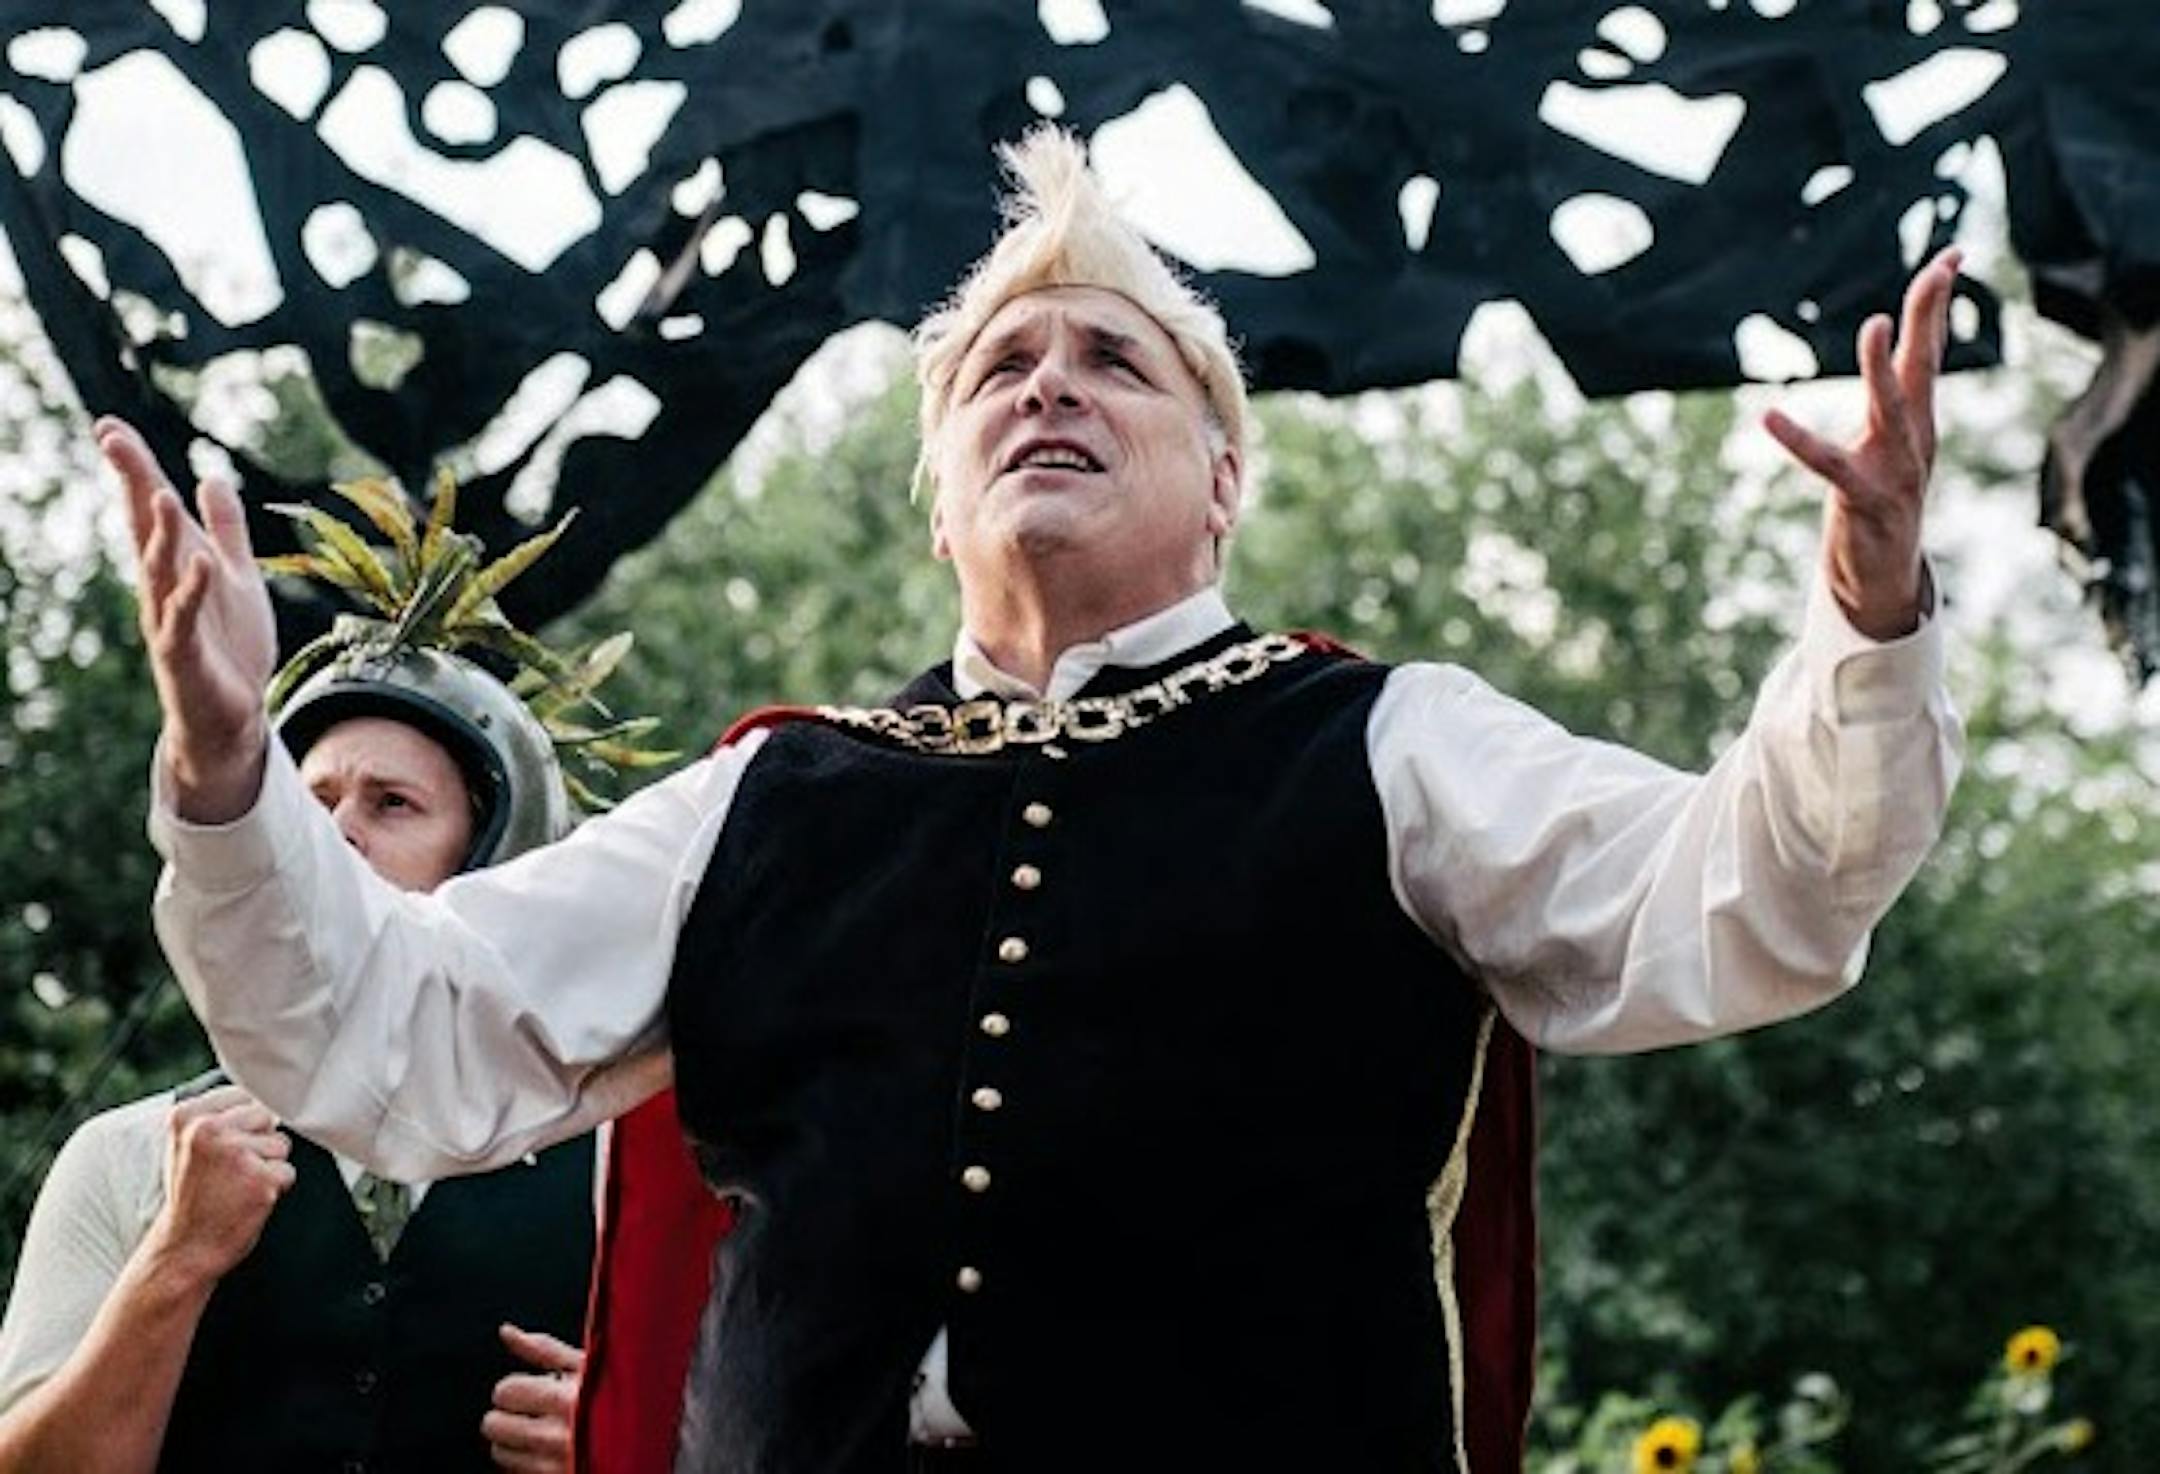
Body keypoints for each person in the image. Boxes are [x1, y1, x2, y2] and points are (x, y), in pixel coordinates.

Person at [108, 126, 1964, 1473]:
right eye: (1002, 366)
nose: (1047, 388)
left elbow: (1753, 897)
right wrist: (221, 762)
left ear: (1222, 478)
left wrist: (1866, 612)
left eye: (1112, 362)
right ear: (940, 499)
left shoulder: (1391, 742)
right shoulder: (772, 793)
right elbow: (393, 1030)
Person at [0, 645, 602, 1473]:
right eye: (311, 805)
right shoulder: (127, 1157)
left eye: (391, 804)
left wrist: (633, 1445)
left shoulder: (623, 1174)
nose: (336, 834)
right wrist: (175, 1262)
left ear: (493, 860)